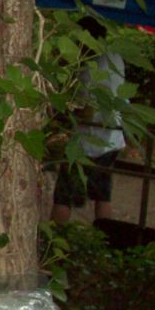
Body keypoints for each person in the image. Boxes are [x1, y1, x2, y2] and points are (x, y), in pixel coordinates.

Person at [52, 16, 126, 225]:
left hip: (88, 141)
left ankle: (55, 237)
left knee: (63, 195)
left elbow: (84, 110)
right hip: (112, 137)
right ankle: (103, 237)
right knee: (103, 193)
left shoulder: (90, 64)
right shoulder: (115, 56)